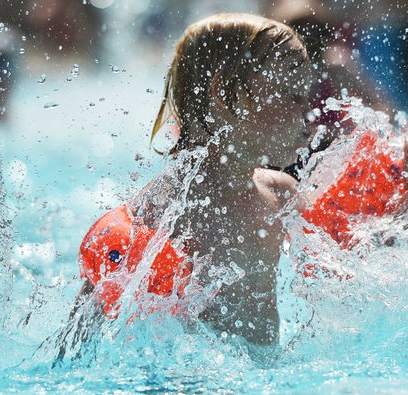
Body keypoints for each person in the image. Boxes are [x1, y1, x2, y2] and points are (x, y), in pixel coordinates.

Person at [75, 13, 312, 348]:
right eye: (290, 94)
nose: (307, 112)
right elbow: (76, 349)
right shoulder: (158, 218)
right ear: (223, 93)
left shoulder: (280, 193)